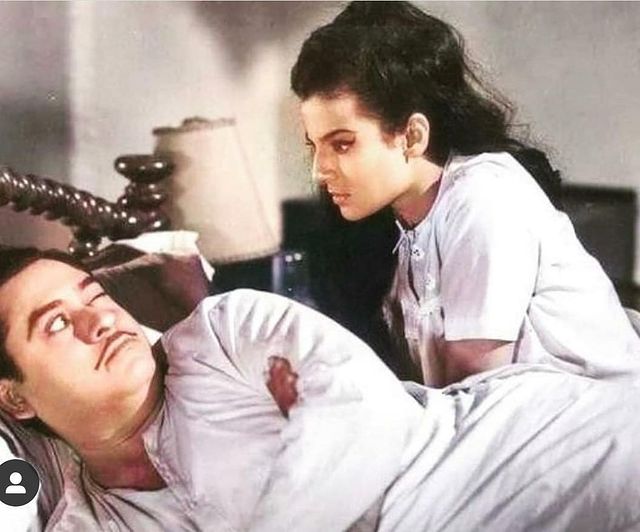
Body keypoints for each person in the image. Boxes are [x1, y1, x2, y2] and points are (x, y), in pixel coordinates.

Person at [1, 246, 640, 531]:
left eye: (95, 295)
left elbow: (362, 415)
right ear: (14, 397)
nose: (99, 320)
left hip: (523, 459)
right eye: (55, 323)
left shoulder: (225, 332)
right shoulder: (88, 523)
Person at [291, 1, 640, 386]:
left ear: (412, 136)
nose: (319, 171)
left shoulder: (484, 197)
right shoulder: (400, 225)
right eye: (313, 146)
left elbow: (475, 400)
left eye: (342, 144)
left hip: (602, 415)